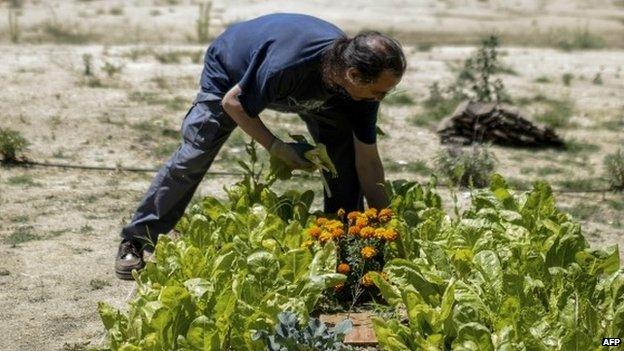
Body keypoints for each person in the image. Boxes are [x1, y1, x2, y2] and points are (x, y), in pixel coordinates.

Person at [115, 13, 406, 280]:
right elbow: (233, 102)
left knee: (343, 160)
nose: (381, 98)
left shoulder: (361, 94)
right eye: (380, 91)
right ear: (354, 75)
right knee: (193, 156)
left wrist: (386, 226)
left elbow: (368, 163)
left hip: (317, 87)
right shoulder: (290, 65)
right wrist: (277, 147)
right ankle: (136, 240)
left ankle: (345, 247)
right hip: (233, 71)